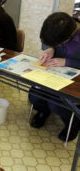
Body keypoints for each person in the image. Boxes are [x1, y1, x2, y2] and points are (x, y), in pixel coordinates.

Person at [29, 12, 80, 142]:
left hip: (75, 80)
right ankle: (43, 112)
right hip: (55, 72)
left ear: (66, 38)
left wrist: (67, 62)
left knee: (56, 103)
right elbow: (47, 41)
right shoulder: (58, 27)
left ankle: (73, 124)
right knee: (34, 93)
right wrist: (50, 49)